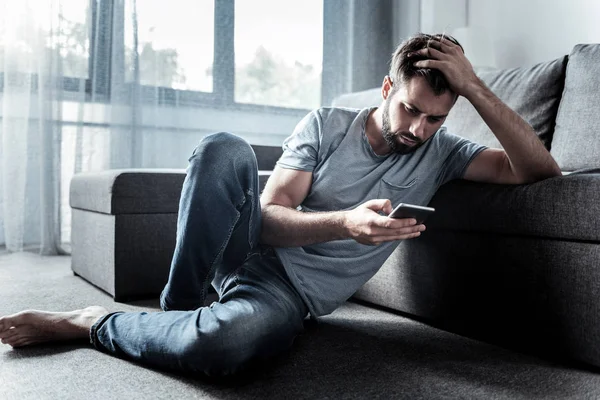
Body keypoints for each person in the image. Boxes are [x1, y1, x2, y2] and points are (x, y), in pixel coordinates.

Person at [0, 33, 561, 376]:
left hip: (285, 293)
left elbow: (540, 171)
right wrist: (346, 222)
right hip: (242, 248)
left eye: (436, 116)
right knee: (224, 149)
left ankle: (92, 323)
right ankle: (180, 305)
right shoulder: (328, 124)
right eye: (411, 109)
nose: (419, 128)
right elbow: (265, 221)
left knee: (228, 347)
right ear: (387, 89)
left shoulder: (443, 154)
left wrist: (474, 86)